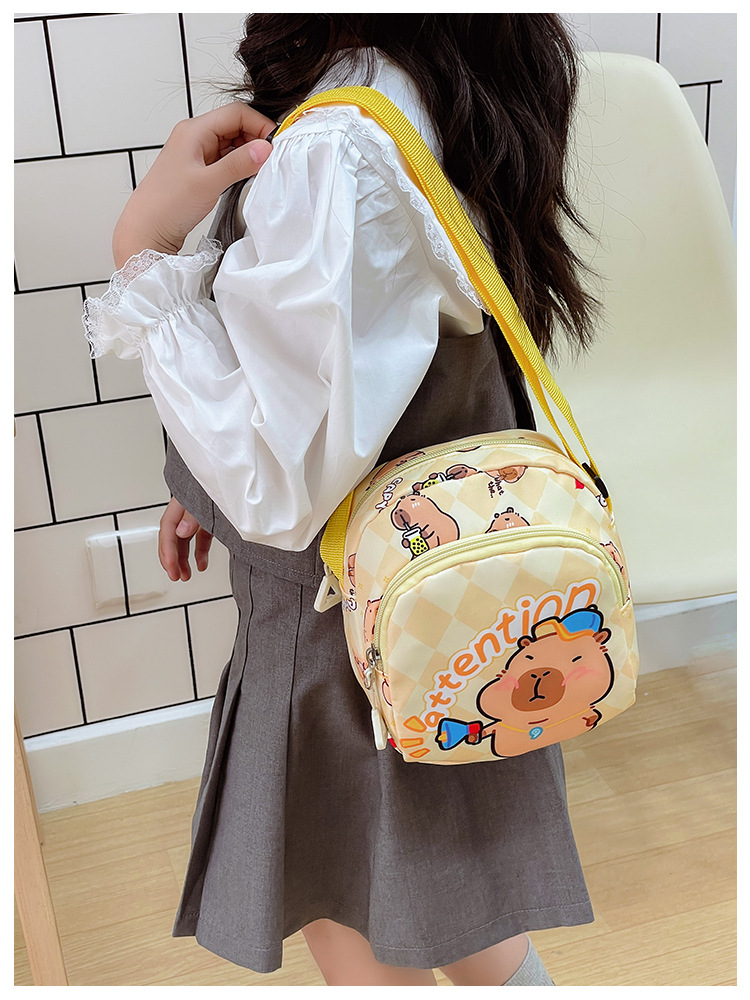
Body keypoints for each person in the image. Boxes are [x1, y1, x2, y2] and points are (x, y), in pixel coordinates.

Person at [84, 14, 600, 987]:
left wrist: (143, 247)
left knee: (356, 920)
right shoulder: (451, 79)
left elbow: (276, 477)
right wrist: (207, 475)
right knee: (454, 908)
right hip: (440, 604)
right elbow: (349, 374)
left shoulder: (339, 148)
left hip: (341, 624)